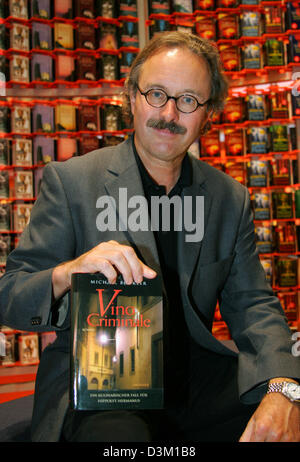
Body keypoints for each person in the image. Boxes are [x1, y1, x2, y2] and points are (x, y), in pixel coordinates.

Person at [0, 31, 299, 443]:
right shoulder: (72, 183)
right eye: (157, 94)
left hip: (196, 381)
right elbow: (10, 296)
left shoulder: (229, 199)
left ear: (208, 113)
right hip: (104, 383)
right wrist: (67, 273)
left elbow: (254, 306)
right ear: (132, 98)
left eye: (189, 100)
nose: (170, 113)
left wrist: (284, 388)